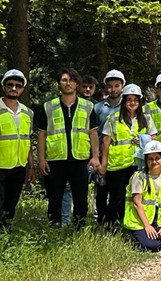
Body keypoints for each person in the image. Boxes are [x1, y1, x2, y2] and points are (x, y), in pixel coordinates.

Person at [37, 67, 98, 226]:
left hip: (80, 160)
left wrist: (95, 157)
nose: (68, 83)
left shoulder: (88, 106)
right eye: (64, 80)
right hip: (55, 160)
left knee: (81, 200)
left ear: (77, 83)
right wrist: (41, 159)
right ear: (59, 83)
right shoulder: (48, 106)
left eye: (71, 80)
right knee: (54, 199)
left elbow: (93, 133)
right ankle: (54, 229)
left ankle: (79, 229)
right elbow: (42, 134)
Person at [0, 69, 34, 232]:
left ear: (23, 89)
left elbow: (27, 140)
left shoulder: (28, 113)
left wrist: (31, 166)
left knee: (11, 204)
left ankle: (6, 232)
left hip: (18, 167)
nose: (14, 88)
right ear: (3, 87)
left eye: (18, 85)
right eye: (10, 85)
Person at [98, 83, 150, 227]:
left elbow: (154, 138)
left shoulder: (146, 119)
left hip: (138, 164)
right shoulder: (113, 119)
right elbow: (105, 143)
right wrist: (103, 165)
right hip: (118, 165)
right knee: (117, 198)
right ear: (124, 101)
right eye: (129, 100)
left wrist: (143, 139)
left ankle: (128, 225)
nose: (132, 103)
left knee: (135, 197)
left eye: (136, 100)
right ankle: (110, 226)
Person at [126, 140, 161, 252]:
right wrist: (147, 226)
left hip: (160, 220)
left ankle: (157, 236)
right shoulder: (138, 177)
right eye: (150, 159)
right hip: (141, 222)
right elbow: (137, 204)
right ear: (146, 160)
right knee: (152, 246)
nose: (154, 161)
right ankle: (135, 238)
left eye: (157, 158)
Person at [62, 75, 98, 225]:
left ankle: (89, 221)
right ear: (79, 86)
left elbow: (95, 132)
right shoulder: (65, 103)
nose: (88, 89)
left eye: (91, 87)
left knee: (88, 191)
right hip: (68, 156)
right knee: (67, 189)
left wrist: (96, 155)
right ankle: (64, 222)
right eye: (85, 86)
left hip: (89, 155)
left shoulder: (96, 106)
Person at [92, 69, 125, 223]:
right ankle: (100, 220)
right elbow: (93, 132)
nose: (113, 89)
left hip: (120, 157)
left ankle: (117, 221)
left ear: (122, 87)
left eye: (117, 86)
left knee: (119, 192)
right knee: (101, 190)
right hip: (101, 156)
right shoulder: (98, 108)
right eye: (110, 86)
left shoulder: (127, 107)